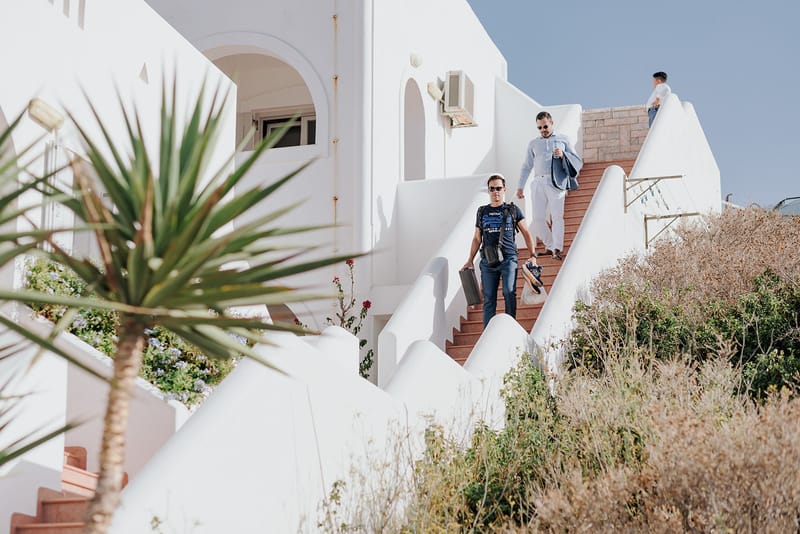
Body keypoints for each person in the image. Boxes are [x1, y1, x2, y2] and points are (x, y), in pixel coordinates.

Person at [463, 174, 539, 327]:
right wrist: (470, 259)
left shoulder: (513, 210)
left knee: (508, 292)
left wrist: (532, 255)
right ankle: (487, 334)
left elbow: (526, 233)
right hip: (488, 261)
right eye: (492, 189)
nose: (495, 192)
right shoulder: (482, 211)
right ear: (489, 191)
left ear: (504, 189)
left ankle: (510, 327)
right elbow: (477, 238)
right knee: (489, 298)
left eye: (498, 188)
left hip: (508, 259)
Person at [516, 111, 582, 261]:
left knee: (557, 216)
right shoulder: (533, 143)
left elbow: (577, 161)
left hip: (556, 182)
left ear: (552, 123)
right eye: (539, 127)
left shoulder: (563, 139)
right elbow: (526, 166)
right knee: (537, 217)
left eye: (545, 126)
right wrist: (520, 186)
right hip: (538, 182)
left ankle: (557, 248)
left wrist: (563, 154)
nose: (543, 130)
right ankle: (550, 245)